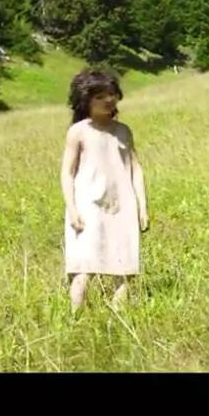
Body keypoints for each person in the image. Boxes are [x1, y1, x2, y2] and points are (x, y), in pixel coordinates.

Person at [60, 69, 149, 312]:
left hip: (123, 205)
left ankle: (118, 319)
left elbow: (135, 168)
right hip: (88, 206)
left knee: (125, 265)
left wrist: (142, 207)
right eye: (100, 96)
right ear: (85, 99)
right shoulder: (78, 131)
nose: (108, 100)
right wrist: (72, 208)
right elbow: (67, 173)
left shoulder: (123, 131)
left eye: (111, 94)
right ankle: (75, 319)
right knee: (83, 265)